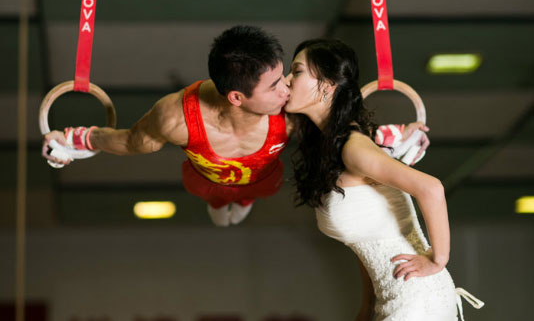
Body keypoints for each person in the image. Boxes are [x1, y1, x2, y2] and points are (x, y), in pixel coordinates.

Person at [284, 38, 532, 321]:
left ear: (325, 86)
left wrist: (439, 260)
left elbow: (431, 188)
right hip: (391, 301)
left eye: (296, 70)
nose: (287, 79)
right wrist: (365, 305)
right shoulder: (330, 150)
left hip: (418, 296)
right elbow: (365, 237)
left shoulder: (354, 147)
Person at [41, 25, 428, 228]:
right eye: (275, 85)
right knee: (214, 198)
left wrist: (389, 138)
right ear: (237, 97)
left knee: (248, 195)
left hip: (263, 178)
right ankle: (223, 201)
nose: (289, 87)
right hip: (205, 178)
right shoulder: (175, 117)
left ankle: (243, 200)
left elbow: (340, 131)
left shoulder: (292, 111)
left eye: (284, 75)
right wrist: (79, 139)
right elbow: (129, 141)